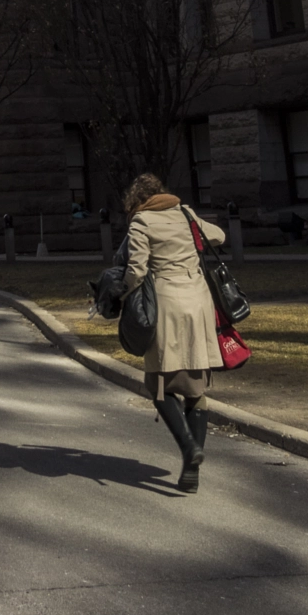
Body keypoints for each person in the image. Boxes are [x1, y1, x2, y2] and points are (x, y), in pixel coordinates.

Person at [120, 173, 227, 493]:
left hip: (166, 306)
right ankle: (190, 467)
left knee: (159, 383)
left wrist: (121, 295)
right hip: (198, 303)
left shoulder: (141, 222)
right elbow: (218, 235)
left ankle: (188, 449)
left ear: (137, 200)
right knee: (195, 387)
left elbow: (137, 269)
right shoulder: (186, 212)